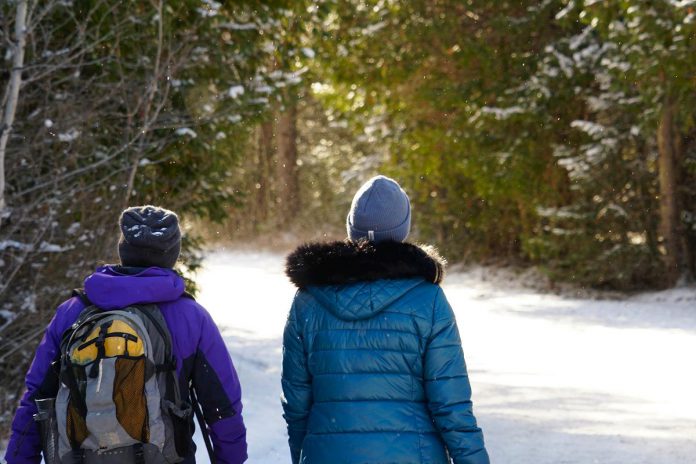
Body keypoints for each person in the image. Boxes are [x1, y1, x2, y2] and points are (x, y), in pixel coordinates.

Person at [4, 205, 247, 464]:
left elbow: (36, 396)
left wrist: (19, 458)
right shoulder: (191, 316)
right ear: (172, 255)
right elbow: (222, 406)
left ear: (123, 250)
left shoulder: (73, 311)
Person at [282, 175, 490, 464]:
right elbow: (451, 405)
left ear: (351, 227)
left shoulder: (308, 302)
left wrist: (305, 456)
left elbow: (296, 404)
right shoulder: (428, 301)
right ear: (403, 229)